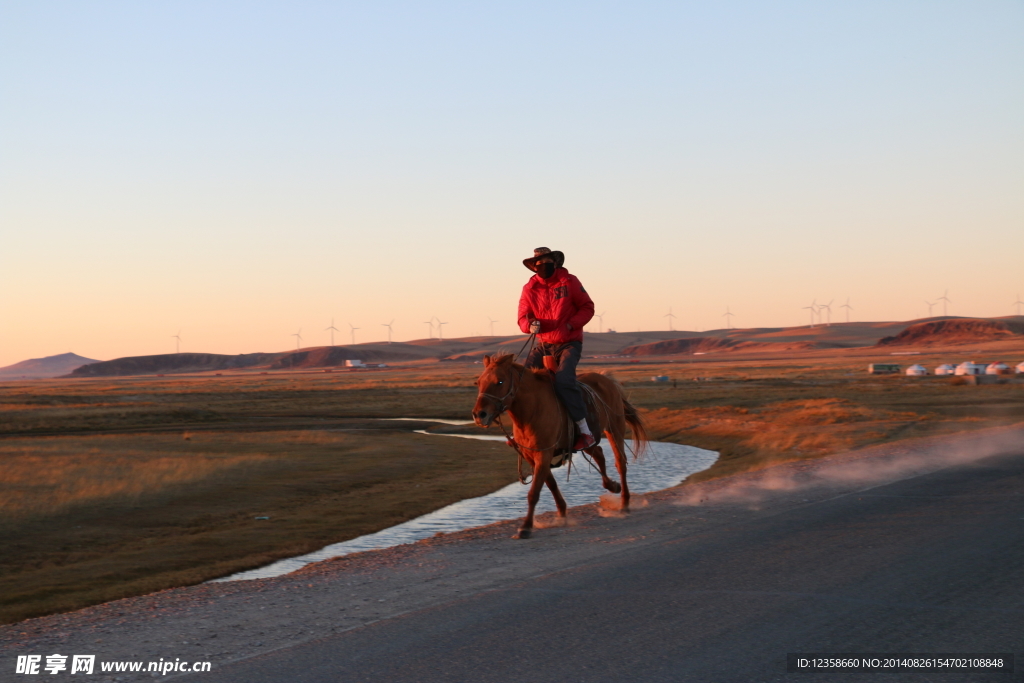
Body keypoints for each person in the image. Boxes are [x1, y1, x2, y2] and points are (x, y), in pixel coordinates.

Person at [518, 247, 596, 450]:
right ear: (533, 266)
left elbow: (587, 307)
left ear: (555, 261)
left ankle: (585, 431)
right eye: (538, 262)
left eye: (546, 261)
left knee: (564, 382)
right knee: (522, 381)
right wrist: (530, 325)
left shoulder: (569, 281)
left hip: (569, 342)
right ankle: (523, 431)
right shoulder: (529, 289)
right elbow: (522, 317)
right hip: (543, 344)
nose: (542, 265)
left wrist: (570, 325)